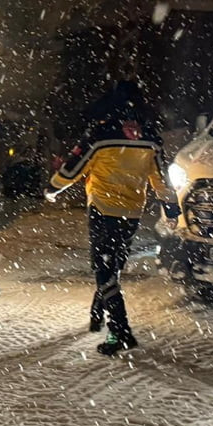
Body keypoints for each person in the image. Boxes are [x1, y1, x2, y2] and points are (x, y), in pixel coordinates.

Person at [45, 80, 180, 356]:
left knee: (104, 269)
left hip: (104, 209)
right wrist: (171, 206)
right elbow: (160, 177)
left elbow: (73, 169)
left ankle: (120, 331)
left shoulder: (100, 134)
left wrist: (52, 188)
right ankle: (97, 313)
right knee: (114, 262)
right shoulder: (150, 136)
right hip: (132, 211)